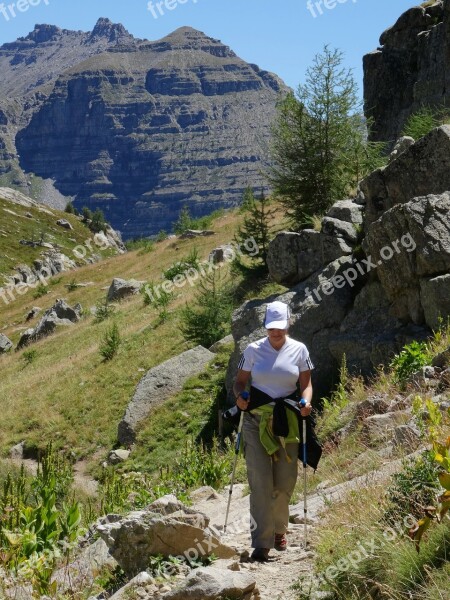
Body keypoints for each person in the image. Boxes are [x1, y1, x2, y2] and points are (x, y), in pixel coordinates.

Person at [233, 300, 314, 561]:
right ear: (265, 327)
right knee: (260, 482)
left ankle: (280, 530)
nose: (275, 333)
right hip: (255, 420)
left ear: (288, 324)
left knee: (284, 482)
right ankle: (262, 542)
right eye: (271, 328)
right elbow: (240, 382)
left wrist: (307, 401)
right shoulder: (253, 350)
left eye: (280, 328)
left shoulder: (300, 350)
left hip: (286, 422)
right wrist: (240, 398)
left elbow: (306, 384)